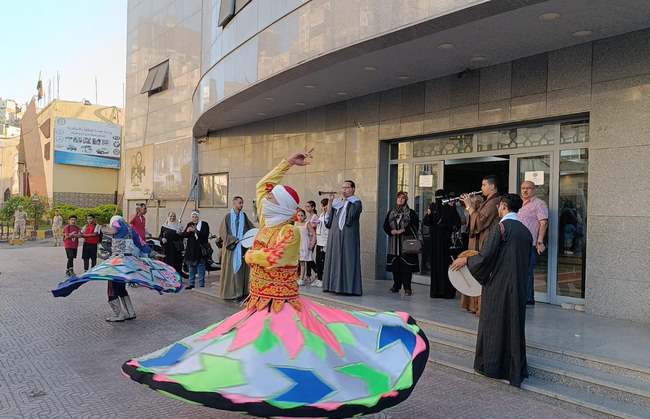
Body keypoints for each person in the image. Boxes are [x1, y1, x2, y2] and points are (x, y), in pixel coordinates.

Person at [122, 151, 430, 418]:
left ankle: (289, 401)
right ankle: (261, 398)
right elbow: (261, 187)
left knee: (291, 358)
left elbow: (275, 259)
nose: (264, 202)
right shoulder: (270, 224)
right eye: (266, 200)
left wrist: (252, 251)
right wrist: (287, 164)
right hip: (258, 305)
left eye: (270, 200)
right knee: (248, 355)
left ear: (282, 207)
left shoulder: (290, 232)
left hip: (284, 308)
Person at [450, 193, 532, 387]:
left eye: (499, 206)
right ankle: (514, 369)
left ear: (503, 206)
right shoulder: (525, 231)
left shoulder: (501, 227)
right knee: (514, 324)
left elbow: (486, 257)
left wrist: (467, 260)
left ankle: (493, 366)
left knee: (494, 324)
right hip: (518, 286)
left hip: (499, 285)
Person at [52, 216, 182, 322]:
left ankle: (119, 314)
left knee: (112, 288)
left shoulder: (117, 223)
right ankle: (130, 312)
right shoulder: (131, 229)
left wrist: (102, 228)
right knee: (121, 288)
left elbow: (113, 230)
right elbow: (142, 245)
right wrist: (153, 254)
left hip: (118, 262)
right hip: (128, 262)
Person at [322, 180, 363, 295]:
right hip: (335, 235)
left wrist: (346, 202)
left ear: (353, 189)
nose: (344, 190)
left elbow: (351, 216)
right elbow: (328, 219)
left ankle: (348, 288)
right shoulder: (337, 203)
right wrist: (330, 202)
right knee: (334, 258)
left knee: (348, 259)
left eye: (347, 188)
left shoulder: (356, 202)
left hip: (348, 236)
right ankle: (332, 285)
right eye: (342, 188)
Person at [423, 189, 460, 299]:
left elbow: (456, 224)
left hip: (445, 243)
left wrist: (445, 226)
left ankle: (443, 291)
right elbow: (427, 222)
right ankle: (440, 291)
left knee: (445, 266)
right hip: (437, 242)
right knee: (439, 266)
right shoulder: (434, 207)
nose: (439, 199)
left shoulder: (448, 207)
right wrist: (429, 215)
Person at [383, 191, 419, 296]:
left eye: (403, 198)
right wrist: (391, 231)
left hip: (406, 243)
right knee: (395, 266)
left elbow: (415, 226)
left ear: (406, 200)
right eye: (399, 198)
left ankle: (407, 288)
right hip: (394, 243)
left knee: (406, 267)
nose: (400, 200)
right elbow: (385, 225)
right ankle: (396, 285)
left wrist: (404, 230)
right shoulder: (391, 212)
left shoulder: (411, 213)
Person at [218, 196, 254, 300]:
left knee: (242, 271)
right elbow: (223, 232)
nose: (241, 205)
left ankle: (242, 293)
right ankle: (232, 293)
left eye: (242, 203)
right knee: (232, 271)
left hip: (242, 248)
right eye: (239, 203)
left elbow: (250, 229)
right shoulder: (228, 217)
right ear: (234, 203)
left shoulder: (244, 216)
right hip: (231, 249)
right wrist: (234, 239)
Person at [518, 181, 548, 305]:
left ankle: (528, 298)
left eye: (528, 188)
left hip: (529, 244)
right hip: (516, 243)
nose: (525, 191)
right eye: (523, 188)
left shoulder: (539, 204)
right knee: (518, 271)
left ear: (534, 190)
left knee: (527, 272)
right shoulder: (518, 203)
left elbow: (543, 222)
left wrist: (540, 240)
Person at [460, 194, 484, 315]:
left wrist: (470, 208)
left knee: (476, 274)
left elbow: (478, 227)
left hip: (478, 245)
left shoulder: (478, 214)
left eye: (474, 203)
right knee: (470, 274)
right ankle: (470, 304)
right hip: (472, 243)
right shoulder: (471, 213)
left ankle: (477, 306)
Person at [462, 175, 500, 250]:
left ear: (492, 186)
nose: (481, 188)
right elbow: (477, 214)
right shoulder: (488, 201)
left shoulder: (494, 202)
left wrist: (469, 206)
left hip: (486, 242)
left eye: (484, 185)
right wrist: (473, 203)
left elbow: (480, 222)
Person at [181, 210, 210, 289]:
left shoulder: (204, 224)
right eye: (193, 217)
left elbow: (205, 235)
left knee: (201, 266)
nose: (194, 218)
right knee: (191, 267)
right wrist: (187, 231)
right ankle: (191, 284)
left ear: (199, 217)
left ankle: (201, 284)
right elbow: (184, 235)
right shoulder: (189, 224)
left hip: (200, 249)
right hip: (191, 249)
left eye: (196, 216)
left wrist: (195, 230)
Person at [296, 208, 316, 286]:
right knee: (298, 262)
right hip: (297, 245)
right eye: (298, 215)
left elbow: (314, 234)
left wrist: (312, 243)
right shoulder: (295, 224)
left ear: (304, 217)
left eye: (302, 215)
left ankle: (301, 279)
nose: (300, 217)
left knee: (303, 262)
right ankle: (298, 277)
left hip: (304, 244)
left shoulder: (307, 224)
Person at [313, 198, 329, 288]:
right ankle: (319, 278)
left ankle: (322, 279)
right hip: (319, 241)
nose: (323, 207)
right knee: (318, 260)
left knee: (323, 261)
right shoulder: (322, 215)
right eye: (322, 205)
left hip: (324, 242)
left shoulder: (328, 215)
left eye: (325, 205)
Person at [304, 200, 319, 282]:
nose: (306, 208)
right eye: (306, 206)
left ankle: (317, 272)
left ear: (313, 207)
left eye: (308, 206)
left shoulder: (315, 217)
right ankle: (309, 275)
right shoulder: (309, 216)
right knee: (307, 257)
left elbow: (314, 227)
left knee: (309, 257)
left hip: (311, 239)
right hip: (307, 239)